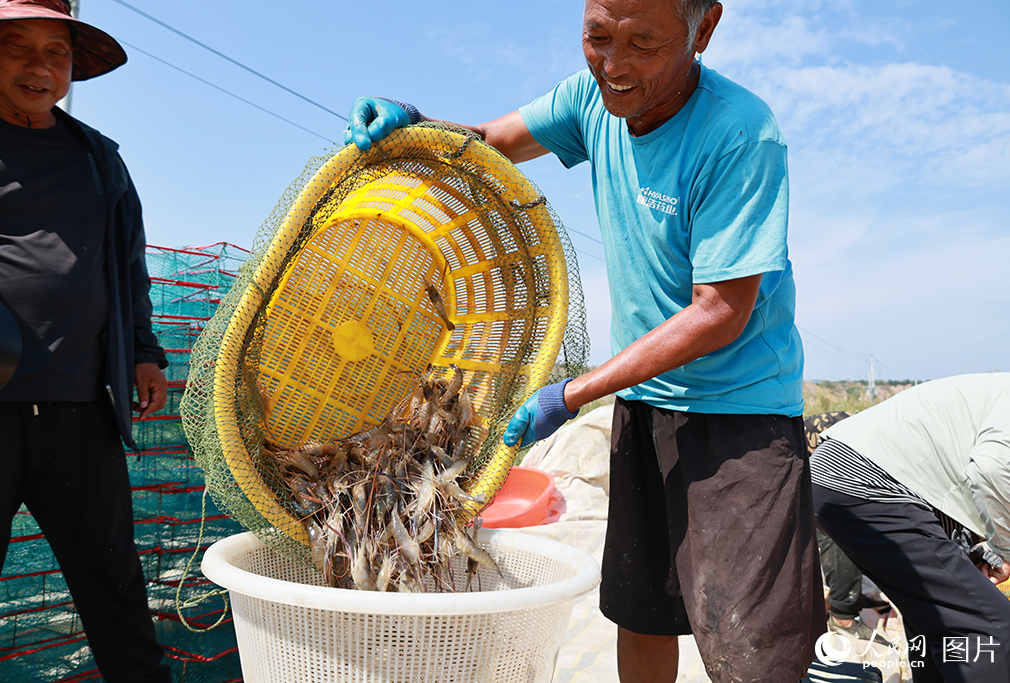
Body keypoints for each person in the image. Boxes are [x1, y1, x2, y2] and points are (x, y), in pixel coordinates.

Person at [345, 1, 825, 680]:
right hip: (644, 404)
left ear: (704, 29)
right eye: (597, 37)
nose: (614, 65)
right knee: (641, 611)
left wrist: (571, 395)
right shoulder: (590, 99)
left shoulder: (740, 133)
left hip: (739, 420)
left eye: (643, 44)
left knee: (754, 651)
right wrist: (417, 123)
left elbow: (720, 311)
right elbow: (489, 140)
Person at [0, 1, 172, 681]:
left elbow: (127, 263)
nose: (40, 66)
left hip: (80, 406)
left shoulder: (99, 158)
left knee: (115, 584)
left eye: (56, 52)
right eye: (17, 46)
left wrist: (144, 351)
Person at [811, 373, 1010, 681]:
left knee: (940, 618)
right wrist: (1004, 548)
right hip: (866, 482)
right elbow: (992, 469)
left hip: (851, 480)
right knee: (988, 628)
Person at [805, 412, 893, 646]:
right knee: (839, 529)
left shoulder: (883, 435)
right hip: (799, 468)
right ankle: (842, 618)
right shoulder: (877, 442)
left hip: (823, 462)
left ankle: (847, 597)